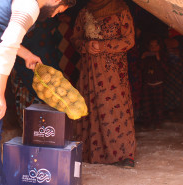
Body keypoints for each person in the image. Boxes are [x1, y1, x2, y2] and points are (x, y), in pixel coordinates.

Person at [0, 0, 76, 184]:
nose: (53, 15)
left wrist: (27, 55)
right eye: (58, 11)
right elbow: (7, 47)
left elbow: (3, 33)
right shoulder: (29, 6)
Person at [70, 0, 136, 167]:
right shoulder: (84, 12)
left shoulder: (121, 9)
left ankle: (123, 155)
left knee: (115, 108)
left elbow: (129, 40)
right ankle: (92, 153)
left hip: (113, 71)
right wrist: (86, 45)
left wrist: (103, 45)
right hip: (89, 71)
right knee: (91, 107)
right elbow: (75, 38)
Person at [140, 36, 167, 129]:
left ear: (160, 47)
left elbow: (166, 69)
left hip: (158, 84)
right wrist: (143, 58)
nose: (153, 48)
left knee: (158, 105)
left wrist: (158, 58)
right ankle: (147, 123)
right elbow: (141, 68)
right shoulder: (147, 56)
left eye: (155, 46)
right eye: (151, 46)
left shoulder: (162, 56)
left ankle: (158, 123)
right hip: (147, 84)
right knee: (146, 105)